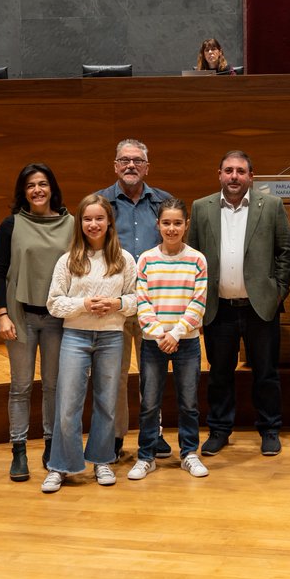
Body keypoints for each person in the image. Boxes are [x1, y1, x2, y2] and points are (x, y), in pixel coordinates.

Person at [189, 151, 290, 457]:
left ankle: (270, 429)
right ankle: (220, 430)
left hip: (260, 307)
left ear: (251, 175)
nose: (234, 176)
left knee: (266, 373)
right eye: (228, 170)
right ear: (219, 174)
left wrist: (278, 292)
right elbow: (193, 255)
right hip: (218, 308)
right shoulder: (201, 207)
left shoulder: (271, 205)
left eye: (240, 171)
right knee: (220, 373)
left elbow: (284, 252)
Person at [41, 195, 136, 493]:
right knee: (68, 403)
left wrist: (116, 302)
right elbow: (54, 303)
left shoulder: (124, 259)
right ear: (79, 223)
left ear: (109, 222)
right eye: (87, 219)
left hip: (110, 337)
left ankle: (102, 459)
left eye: (99, 218)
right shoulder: (68, 260)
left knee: (107, 403)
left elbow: (136, 300)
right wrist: (84, 303)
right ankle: (61, 466)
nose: (93, 224)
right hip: (76, 336)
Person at [0, 163, 73, 481]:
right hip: (20, 316)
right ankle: (19, 450)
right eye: (30, 186)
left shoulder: (71, 224)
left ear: (52, 187)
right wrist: (1, 314)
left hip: (57, 318)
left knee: (54, 386)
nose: (37, 190)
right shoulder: (12, 224)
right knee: (20, 387)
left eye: (42, 184)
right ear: (22, 192)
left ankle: (51, 447)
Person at [95, 138, 173, 459]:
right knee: (112, 376)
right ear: (115, 166)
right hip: (114, 304)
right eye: (124, 160)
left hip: (154, 305)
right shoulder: (101, 203)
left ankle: (153, 433)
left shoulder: (164, 202)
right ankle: (113, 437)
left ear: (147, 167)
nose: (131, 166)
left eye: (137, 161)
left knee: (152, 375)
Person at [127, 198, 209, 480]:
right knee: (149, 402)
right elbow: (142, 301)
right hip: (154, 342)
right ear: (158, 225)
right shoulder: (147, 259)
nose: (171, 229)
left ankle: (189, 453)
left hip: (185, 342)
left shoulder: (197, 259)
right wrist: (160, 334)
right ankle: (146, 456)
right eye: (166, 223)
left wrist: (175, 333)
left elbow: (198, 303)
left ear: (186, 225)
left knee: (188, 402)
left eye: (177, 223)